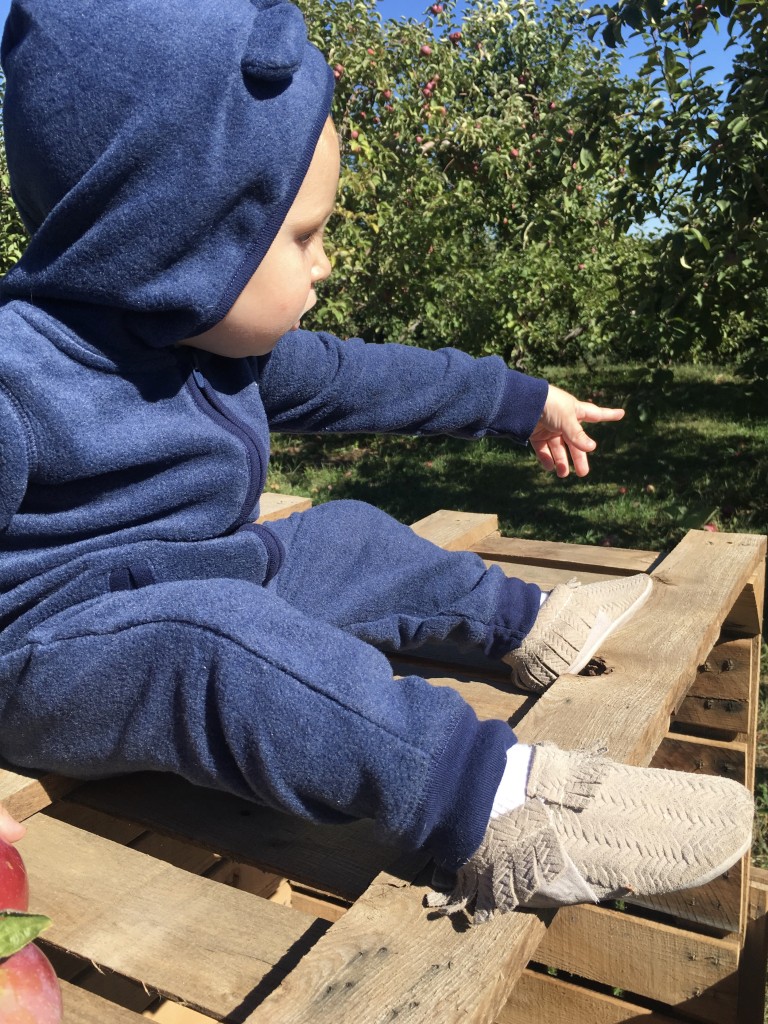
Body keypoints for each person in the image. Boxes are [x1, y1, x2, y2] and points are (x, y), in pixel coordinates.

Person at [0, 0, 752, 925]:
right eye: (302, 236)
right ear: (174, 239)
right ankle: (490, 804)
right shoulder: (18, 380)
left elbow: (372, 380)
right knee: (217, 646)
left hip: (213, 581)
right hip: (56, 657)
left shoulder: (218, 349)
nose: (325, 264)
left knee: (348, 533)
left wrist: (522, 403)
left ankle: (527, 627)